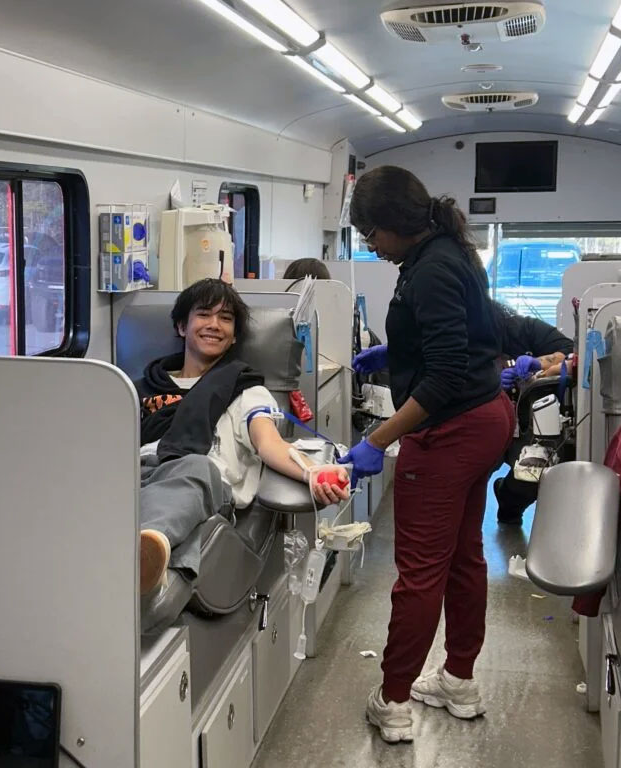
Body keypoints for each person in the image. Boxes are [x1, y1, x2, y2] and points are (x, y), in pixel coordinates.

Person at [340, 166, 514, 743]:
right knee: (464, 555)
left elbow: (441, 379)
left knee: (418, 574)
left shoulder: (432, 268)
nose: (369, 244)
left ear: (396, 224)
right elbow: (466, 334)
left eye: (371, 232)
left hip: (450, 432)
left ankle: (392, 701)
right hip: (486, 418)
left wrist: (377, 440)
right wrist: (397, 351)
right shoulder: (444, 251)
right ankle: (459, 680)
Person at [135, 278, 349, 596]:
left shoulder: (245, 390)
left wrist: (313, 472)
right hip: (139, 477)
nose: (214, 325)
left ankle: (143, 547)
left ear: (234, 335)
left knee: (198, 467)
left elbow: (270, 444)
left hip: (202, 489)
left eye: (226, 318)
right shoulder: (138, 388)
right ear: (182, 326)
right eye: (204, 314)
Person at [491, 301, 574, 525]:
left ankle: (509, 501)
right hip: (485, 416)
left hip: (528, 421)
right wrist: (490, 381)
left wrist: (538, 363)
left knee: (529, 475)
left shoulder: (522, 328)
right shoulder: (464, 336)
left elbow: (571, 351)